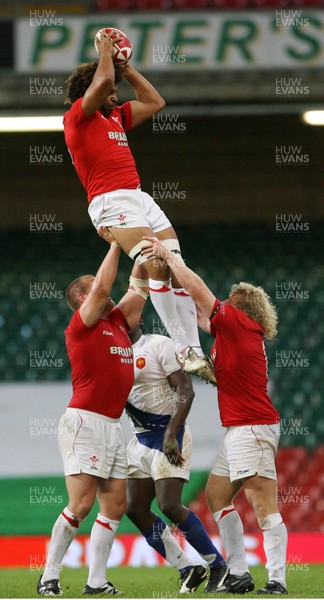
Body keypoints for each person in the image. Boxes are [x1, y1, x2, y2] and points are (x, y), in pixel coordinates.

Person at [63, 31, 215, 386]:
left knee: (175, 265)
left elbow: (155, 101)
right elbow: (100, 82)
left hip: (139, 197)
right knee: (155, 263)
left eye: (117, 89)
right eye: (112, 89)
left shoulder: (115, 116)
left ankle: (192, 349)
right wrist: (104, 55)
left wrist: (127, 69)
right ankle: (184, 348)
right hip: (110, 201)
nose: (116, 93)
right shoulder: (77, 118)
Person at [141, 237, 288, 595]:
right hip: (242, 429)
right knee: (217, 496)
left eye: (229, 302)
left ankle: (277, 580)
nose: (221, 305)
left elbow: (200, 292)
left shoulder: (238, 324)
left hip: (252, 427)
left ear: (242, 308)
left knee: (262, 503)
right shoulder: (235, 333)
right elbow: (197, 313)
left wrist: (169, 258)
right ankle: (238, 572)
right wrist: (172, 286)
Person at [37, 231, 149, 596]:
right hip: (85, 420)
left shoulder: (116, 323)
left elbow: (140, 289)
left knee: (114, 505)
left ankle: (96, 582)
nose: (108, 293)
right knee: (82, 503)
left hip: (113, 425)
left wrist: (144, 247)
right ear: (83, 298)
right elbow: (103, 286)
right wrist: (116, 242)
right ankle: (49, 576)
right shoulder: (81, 325)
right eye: (96, 289)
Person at [125, 321, 228, 593]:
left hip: (169, 433)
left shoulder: (159, 344)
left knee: (169, 504)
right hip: (138, 438)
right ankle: (187, 568)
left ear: (141, 319)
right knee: (134, 508)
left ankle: (218, 565)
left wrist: (171, 435)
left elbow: (186, 390)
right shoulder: (113, 354)